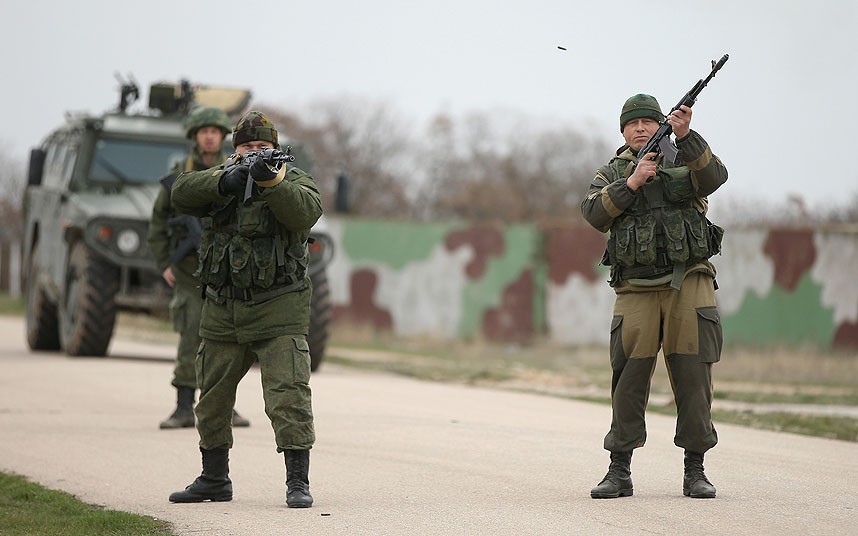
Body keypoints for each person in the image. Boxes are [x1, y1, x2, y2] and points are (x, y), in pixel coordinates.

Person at [168, 111, 322, 508]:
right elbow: (180, 193)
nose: (254, 154)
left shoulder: (294, 179)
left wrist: (271, 180)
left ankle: (297, 481)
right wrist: (225, 179)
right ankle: (214, 478)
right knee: (213, 399)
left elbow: (305, 211)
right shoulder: (221, 177)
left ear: (275, 148)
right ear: (233, 150)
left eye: (262, 147)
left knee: (288, 395)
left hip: (279, 308)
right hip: (222, 309)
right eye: (247, 148)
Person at [580, 94, 728, 499]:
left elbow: (715, 177)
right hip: (635, 289)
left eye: (648, 121)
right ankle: (619, 471)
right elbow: (593, 213)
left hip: (689, 283)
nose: (641, 128)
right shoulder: (612, 171)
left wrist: (687, 135)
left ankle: (695, 470)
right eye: (633, 123)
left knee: (694, 377)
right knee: (628, 378)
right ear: (623, 131)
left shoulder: (684, 157)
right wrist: (631, 183)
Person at [147, 106, 251, 430]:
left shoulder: (235, 169)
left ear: (222, 136)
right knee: (191, 332)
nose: (209, 136)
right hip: (189, 269)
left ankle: (222, 405)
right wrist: (165, 261)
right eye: (203, 131)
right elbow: (157, 223)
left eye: (215, 131)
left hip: (225, 270)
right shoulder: (180, 174)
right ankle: (182, 406)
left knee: (227, 340)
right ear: (195, 136)